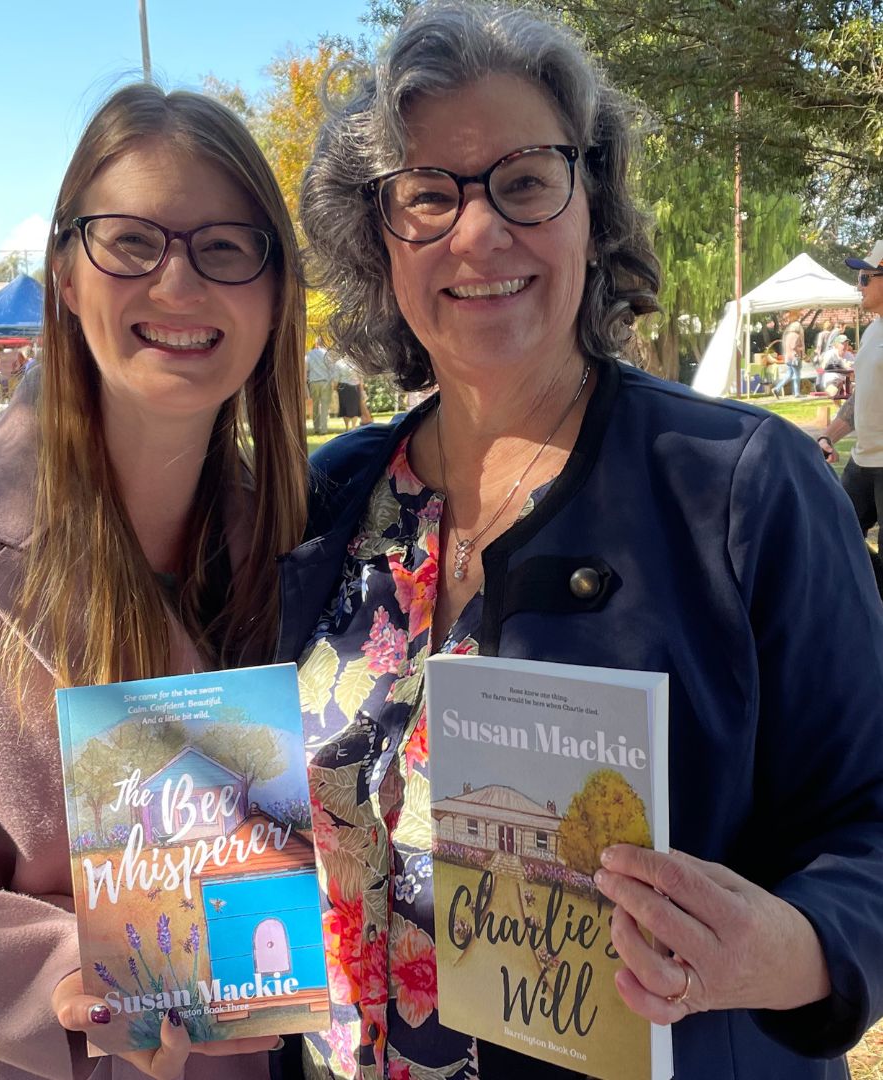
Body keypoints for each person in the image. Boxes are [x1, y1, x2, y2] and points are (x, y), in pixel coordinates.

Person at [280, 4, 883, 1078]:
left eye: (523, 180)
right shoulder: (332, 501)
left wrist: (780, 953)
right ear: (379, 238)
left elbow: (870, 815)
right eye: (427, 194)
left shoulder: (743, 490)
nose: (478, 233)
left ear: (591, 209)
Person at [0, 84, 308, 1080]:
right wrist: (61, 980)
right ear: (67, 276)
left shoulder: (308, 541)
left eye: (225, 247)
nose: (178, 284)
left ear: (274, 289)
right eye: (131, 242)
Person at [819, 240, 883, 594]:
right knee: (833, 532)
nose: (857, 286)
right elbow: (865, 397)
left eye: (863, 278)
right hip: (862, 464)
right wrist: (828, 435)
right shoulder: (874, 330)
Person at [306, 334, 335, 434]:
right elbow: (332, 369)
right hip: (325, 382)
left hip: (314, 382)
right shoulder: (327, 353)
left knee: (315, 406)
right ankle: (324, 428)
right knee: (324, 406)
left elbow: (306, 368)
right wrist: (332, 381)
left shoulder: (309, 354)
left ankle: (316, 428)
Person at [772, 314, 806, 398]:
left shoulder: (787, 336)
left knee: (789, 374)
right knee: (797, 375)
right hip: (795, 358)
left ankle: (777, 388)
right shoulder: (797, 336)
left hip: (788, 357)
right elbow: (794, 346)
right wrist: (801, 348)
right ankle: (797, 393)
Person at [334, 353, 365, 429]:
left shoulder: (339, 363)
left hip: (343, 386)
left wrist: (334, 388)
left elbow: (336, 377)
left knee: (344, 407)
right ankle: (353, 427)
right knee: (355, 407)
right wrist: (362, 389)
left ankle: (347, 427)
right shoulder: (357, 362)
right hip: (355, 386)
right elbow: (361, 377)